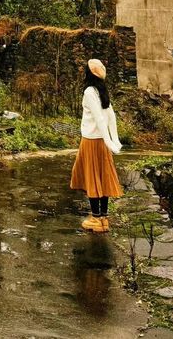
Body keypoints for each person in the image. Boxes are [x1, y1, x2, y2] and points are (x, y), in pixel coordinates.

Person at [70, 58, 123, 233]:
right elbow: (111, 116)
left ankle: (95, 219)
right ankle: (104, 219)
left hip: (91, 141)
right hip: (101, 142)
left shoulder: (90, 92)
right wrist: (113, 140)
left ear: (88, 73)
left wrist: (111, 141)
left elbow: (101, 118)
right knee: (102, 177)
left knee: (91, 178)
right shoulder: (101, 91)